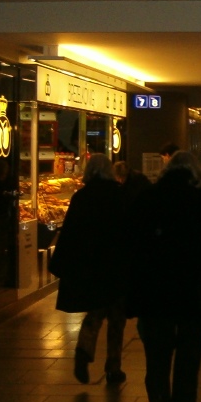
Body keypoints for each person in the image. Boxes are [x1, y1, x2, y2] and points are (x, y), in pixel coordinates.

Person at [127, 151, 201, 402]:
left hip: (154, 288)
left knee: (157, 349)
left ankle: (158, 401)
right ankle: (185, 401)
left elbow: (131, 243)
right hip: (194, 288)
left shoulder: (147, 199)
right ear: (195, 174)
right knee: (190, 348)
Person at [49, 153, 128, 385]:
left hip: (91, 266)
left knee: (95, 311)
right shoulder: (120, 195)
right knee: (117, 318)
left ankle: (84, 350)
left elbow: (70, 233)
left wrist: (63, 264)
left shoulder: (81, 197)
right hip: (115, 265)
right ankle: (113, 367)